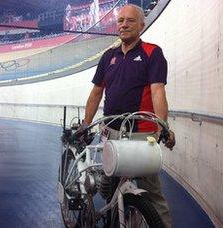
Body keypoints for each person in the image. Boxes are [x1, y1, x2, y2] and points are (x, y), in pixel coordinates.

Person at [81, 4, 175, 228]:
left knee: (151, 192)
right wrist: (86, 124)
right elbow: (96, 93)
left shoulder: (152, 52)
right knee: (110, 185)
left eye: (130, 20)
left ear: (141, 25)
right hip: (111, 130)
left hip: (142, 132)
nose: (123, 24)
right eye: (120, 20)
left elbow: (157, 90)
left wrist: (163, 125)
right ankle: (115, 220)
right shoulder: (108, 57)